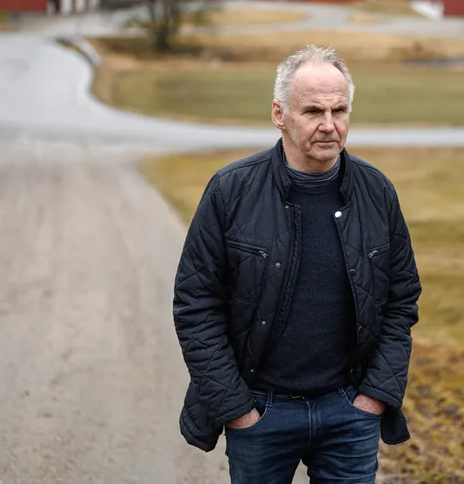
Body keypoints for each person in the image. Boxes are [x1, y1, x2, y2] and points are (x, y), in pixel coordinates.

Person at [172, 44, 421, 483]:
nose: (329, 125)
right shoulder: (231, 191)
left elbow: (400, 302)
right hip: (260, 414)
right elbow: (196, 306)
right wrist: (238, 410)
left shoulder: (377, 191)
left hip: (350, 413)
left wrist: (372, 399)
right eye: (312, 111)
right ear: (279, 114)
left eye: (339, 110)